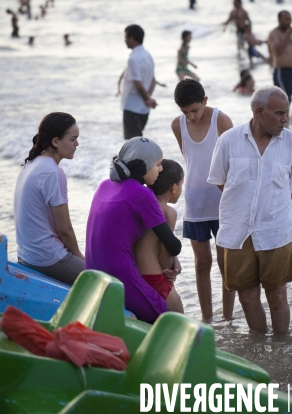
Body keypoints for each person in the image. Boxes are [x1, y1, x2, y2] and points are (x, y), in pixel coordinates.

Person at [207, 86, 292, 333]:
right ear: (259, 112)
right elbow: (220, 180)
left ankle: (283, 349)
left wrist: (271, 206)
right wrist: (244, 205)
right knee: (247, 297)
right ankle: (259, 350)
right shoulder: (228, 140)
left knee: (277, 295)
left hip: (276, 231)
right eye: (280, 113)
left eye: (286, 113)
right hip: (238, 232)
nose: (286, 119)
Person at [85, 137, 182, 323]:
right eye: (158, 164)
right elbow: (173, 245)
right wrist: (175, 257)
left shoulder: (105, 185)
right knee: (168, 320)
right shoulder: (142, 194)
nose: (160, 169)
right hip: (119, 275)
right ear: (143, 166)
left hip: (92, 271)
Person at [172, 80, 235, 321]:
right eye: (185, 112)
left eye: (195, 110)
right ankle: (207, 319)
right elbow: (191, 160)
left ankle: (228, 318)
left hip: (222, 202)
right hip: (195, 202)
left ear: (205, 101)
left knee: (225, 263)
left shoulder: (222, 120)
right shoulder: (177, 125)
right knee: (202, 263)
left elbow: (234, 163)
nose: (191, 117)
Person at [13, 112, 85, 284]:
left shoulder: (32, 163)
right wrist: (80, 258)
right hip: (47, 257)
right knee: (109, 283)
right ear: (55, 141)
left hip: (26, 254)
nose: (77, 144)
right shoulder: (52, 172)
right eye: (73, 139)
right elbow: (64, 229)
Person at [134, 159, 185, 313]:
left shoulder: (140, 203)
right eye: (182, 184)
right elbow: (164, 257)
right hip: (156, 280)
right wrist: (172, 269)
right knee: (180, 325)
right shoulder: (169, 212)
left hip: (136, 277)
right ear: (174, 188)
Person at [119, 24, 157, 139]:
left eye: (126, 37)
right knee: (138, 141)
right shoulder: (148, 55)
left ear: (132, 38)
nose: (125, 40)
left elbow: (138, 84)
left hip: (132, 106)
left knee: (132, 143)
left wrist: (147, 99)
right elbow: (153, 80)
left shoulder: (133, 59)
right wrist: (148, 98)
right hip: (144, 108)